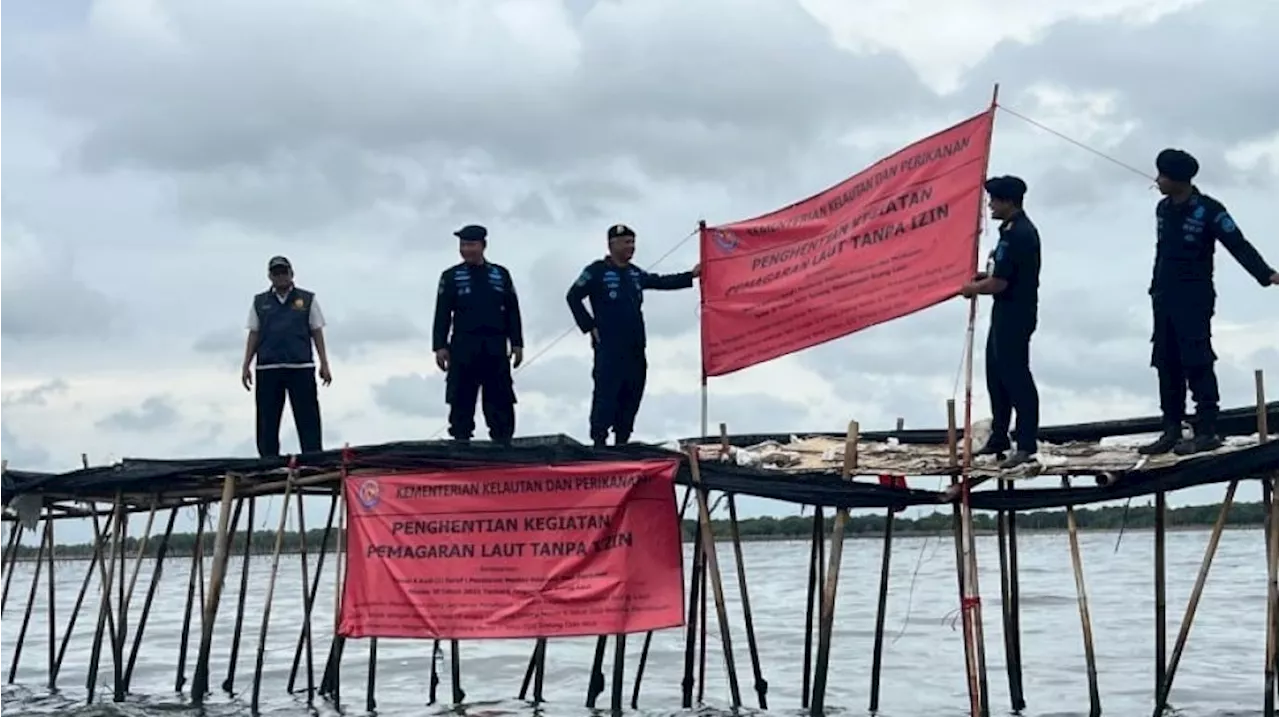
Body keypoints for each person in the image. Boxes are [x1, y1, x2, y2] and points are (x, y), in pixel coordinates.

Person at [1138, 148, 1280, 456]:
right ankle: (1172, 428)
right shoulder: (1163, 209)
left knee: (1197, 359)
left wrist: (1266, 274)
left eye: (1162, 175)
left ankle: (1207, 430)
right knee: (1166, 361)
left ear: (1178, 180)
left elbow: (1237, 244)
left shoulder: (1209, 210)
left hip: (1194, 297)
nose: (1158, 180)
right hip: (1163, 296)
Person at [566, 223, 700, 448]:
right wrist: (589, 326)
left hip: (635, 347)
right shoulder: (596, 271)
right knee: (606, 394)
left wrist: (691, 275)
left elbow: (660, 281)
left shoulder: (635, 273)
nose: (631, 247)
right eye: (627, 242)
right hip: (609, 347)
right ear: (612, 244)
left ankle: (622, 441)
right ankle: (599, 442)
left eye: (633, 242)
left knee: (632, 393)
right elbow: (573, 296)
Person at [960, 175, 1041, 470]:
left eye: (994, 200)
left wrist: (973, 289)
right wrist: (983, 277)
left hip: (1016, 312)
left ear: (1008, 201)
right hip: (1004, 312)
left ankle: (1026, 443)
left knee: (1016, 377)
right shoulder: (1008, 231)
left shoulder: (1021, 233)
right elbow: (999, 273)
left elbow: (1001, 284)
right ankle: (999, 436)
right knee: (996, 374)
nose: (990, 205)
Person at [432, 224, 524, 446]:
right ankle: (461, 441)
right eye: (463, 245)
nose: (466, 249)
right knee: (461, 397)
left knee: (500, 397)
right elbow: (442, 312)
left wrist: (517, 343)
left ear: (483, 246)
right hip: (463, 344)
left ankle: (503, 442)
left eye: (471, 244)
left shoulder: (500, 274)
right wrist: (439, 346)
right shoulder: (451, 276)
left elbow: (513, 309)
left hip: (495, 344)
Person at [241, 255, 332, 457]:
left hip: (300, 366)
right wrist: (246, 364)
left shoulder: (307, 299)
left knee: (308, 417)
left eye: (284, 272)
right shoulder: (260, 302)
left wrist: (324, 363)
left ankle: (313, 459)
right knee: (267, 420)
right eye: (276, 273)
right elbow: (254, 333)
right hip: (268, 367)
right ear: (269, 276)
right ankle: (268, 463)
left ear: (292, 274)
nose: (280, 276)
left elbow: (317, 330)